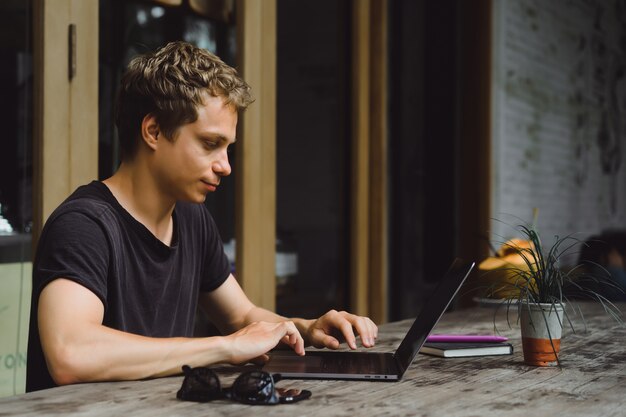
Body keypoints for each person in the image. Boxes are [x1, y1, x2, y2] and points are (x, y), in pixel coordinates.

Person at [26, 41, 378, 392]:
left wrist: (305, 328)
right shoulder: (84, 225)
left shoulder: (192, 219)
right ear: (154, 131)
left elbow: (240, 316)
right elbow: (70, 355)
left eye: (228, 148)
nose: (225, 166)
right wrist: (223, 346)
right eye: (210, 144)